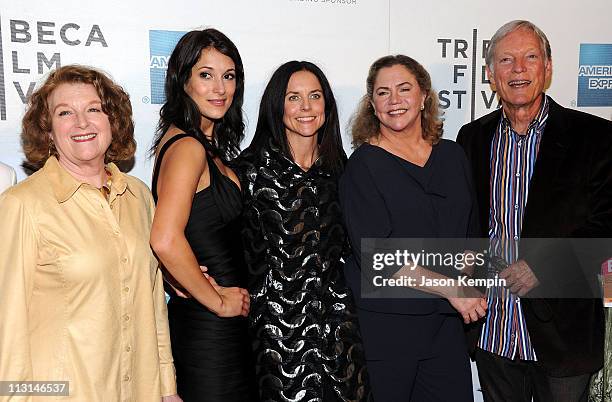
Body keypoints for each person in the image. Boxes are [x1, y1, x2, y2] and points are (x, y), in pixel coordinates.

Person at [0, 65, 180, 401]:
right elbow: (6, 328)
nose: (82, 123)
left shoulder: (139, 196)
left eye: (94, 109)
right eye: (65, 112)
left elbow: (154, 303)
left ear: (113, 121)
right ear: (49, 131)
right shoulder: (22, 205)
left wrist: (166, 387)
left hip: (140, 390)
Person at [457, 20, 612, 402]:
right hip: (493, 328)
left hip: (563, 333)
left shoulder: (596, 137)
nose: (519, 69)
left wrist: (545, 264)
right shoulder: (472, 138)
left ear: (548, 66)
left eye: (530, 57)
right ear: (491, 75)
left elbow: (608, 225)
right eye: (506, 60)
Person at [339, 54, 486, 401]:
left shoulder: (452, 156)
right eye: (383, 92)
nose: (394, 100)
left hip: (447, 326)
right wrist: (453, 289)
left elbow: (471, 233)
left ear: (424, 97)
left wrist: (465, 284)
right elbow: (378, 257)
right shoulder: (363, 166)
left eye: (405, 89)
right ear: (372, 106)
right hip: (389, 330)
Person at [233, 61, 371, 401]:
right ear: (277, 106)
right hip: (273, 341)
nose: (306, 107)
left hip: (340, 336)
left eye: (315, 96)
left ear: (327, 105)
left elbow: (360, 249)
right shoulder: (247, 172)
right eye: (294, 97)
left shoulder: (343, 171)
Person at [149, 29, 255, 402]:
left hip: (222, 326)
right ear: (183, 80)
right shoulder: (188, 148)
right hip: (209, 328)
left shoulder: (202, 145)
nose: (220, 88)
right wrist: (217, 300)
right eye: (206, 75)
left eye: (229, 76)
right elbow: (164, 238)